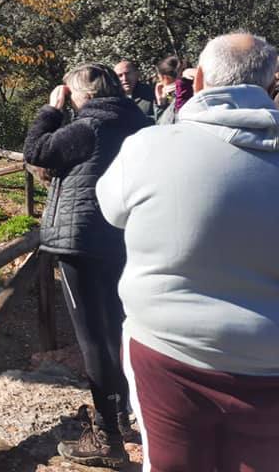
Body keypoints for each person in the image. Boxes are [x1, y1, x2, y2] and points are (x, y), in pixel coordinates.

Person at [97, 32, 279, 471]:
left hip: (167, 353)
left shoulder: (149, 147)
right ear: (271, 85)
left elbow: (111, 210)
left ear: (196, 82)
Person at [23, 63, 151, 467]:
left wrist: (50, 110)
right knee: (119, 327)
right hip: (124, 238)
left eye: (72, 93)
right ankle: (124, 416)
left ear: (84, 94)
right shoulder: (139, 123)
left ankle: (107, 438)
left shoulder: (87, 126)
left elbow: (36, 151)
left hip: (81, 242)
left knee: (93, 338)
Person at [154, 55, 193, 123]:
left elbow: (163, 125)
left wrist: (160, 106)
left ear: (166, 78)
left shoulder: (180, 100)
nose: (159, 81)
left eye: (159, 77)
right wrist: (161, 102)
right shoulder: (193, 92)